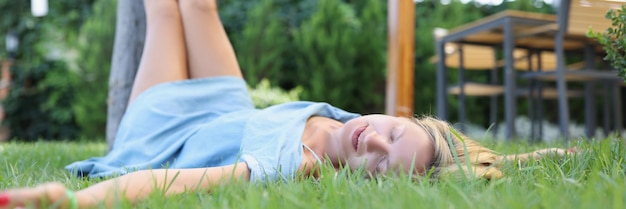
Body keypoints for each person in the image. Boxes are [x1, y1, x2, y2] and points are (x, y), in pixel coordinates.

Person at [0, 0, 577, 208]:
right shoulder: (363, 126)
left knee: (163, 9)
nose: (373, 142)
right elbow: (456, 159)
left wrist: (72, 202)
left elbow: (173, 184)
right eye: (393, 135)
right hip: (228, 103)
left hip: (169, 130)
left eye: (381, 163)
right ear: (405, 119)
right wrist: (538, 157)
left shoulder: (296, 164)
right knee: (198, 6)